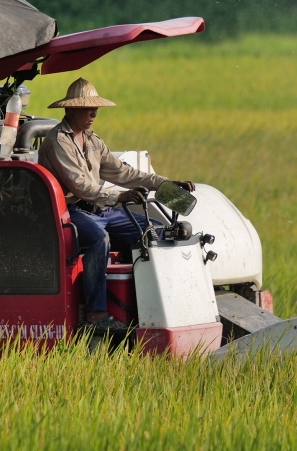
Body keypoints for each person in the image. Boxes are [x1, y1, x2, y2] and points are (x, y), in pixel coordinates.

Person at [39, 78, 194, 332]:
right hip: (71, 211)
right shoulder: (58, 141)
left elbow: (123, 173)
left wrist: (166, 184)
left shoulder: (92, 140)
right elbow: (80, 188)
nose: (94, 113)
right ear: (70, 109)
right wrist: (120, 197)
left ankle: (152, 304)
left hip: (102, 209)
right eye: (88, 108)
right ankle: (96, 314)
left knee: (153, 231)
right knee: (98, 238)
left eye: (95, 108)